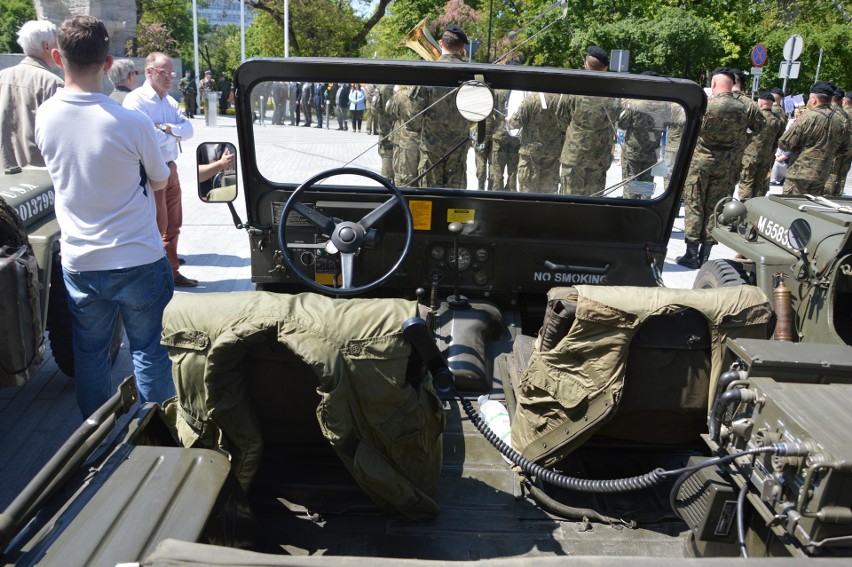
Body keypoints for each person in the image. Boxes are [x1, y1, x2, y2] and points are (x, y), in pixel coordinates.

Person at [34, 15, 175, 416]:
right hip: (138, 257)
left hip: (81, 260)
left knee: (90, 353)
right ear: (109, 63)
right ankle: (156, 435)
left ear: (58, 57)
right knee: (149, 350)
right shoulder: (132, 122)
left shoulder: (45, 116)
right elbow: (161, 179)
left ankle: (94, 438)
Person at [677, 67, 765, 269]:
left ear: (714, 84)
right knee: (715, 209)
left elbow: (685, 127)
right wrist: (741, 139)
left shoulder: (706, 105)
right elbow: (760, 127)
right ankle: (705, 254)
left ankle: (691, 253)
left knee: (694, 204)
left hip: (701, 163)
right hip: (727, 165)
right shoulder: (745, 107)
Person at [123, 52, 197, 287]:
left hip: (170, 168)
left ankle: (172, 272)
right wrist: (173, 134)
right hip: (149, 172)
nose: (170, 79)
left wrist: (165, 129)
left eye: (171, 73)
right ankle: (154, 278)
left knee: (174, 224)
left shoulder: (170, 101)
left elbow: (189, 131)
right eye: (165, 73)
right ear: (149, 72)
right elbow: (146, 138)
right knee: (156, 226)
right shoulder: (136, 101)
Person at [410, 24, 471, 189]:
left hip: (431, 150)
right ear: (462, 47)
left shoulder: (427, 72)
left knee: (429, 200)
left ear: (440, 43)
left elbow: (413, 120)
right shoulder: (473, 73)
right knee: (455, 203)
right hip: (458, 149)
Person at [555, 46, 621, 196]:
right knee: (593, 202)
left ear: (586, 64)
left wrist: (576, 135)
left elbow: (561, 117)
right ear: (606, 67)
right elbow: (616, 119)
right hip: (599, 158)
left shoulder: (574, 88)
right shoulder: (615, 93)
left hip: (574, 155)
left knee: (569, 201)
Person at [0, 20, 64, 171]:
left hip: (4, 173)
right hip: (39, 177)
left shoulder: (2, 76)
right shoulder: (52, 83)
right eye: (58, 42)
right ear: (47, 46)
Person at [778, 81, 850, 197]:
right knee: (812, 206)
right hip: (822, 174)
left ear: (814, 99)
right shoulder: (841, 120)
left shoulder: (808, 117)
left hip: (799, 173)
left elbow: (785, 143)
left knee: (792, 205)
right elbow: (845, 149)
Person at [507, 91, 564, 193]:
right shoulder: (561, 100)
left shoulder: (531, 100)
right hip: (552, 154)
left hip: (530, 155)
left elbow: (515, 124)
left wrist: (508, 120)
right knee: (548, 194)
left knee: (528, 193)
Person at [737, 91, 785, 200]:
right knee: (760, 183)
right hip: (767, 156)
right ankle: (757, 205)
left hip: (750, 155)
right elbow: (780, 138)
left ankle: (745, 206)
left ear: (760, 103)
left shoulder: (755, 117)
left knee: (746, 181)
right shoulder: (778, 120)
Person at [489, 89, 520, 192]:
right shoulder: (519, 91)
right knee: (513, 171)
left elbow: (490, 112)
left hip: (500, 135)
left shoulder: (498, 92)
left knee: (497, 171)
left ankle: (497, 196)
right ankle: (511, 195)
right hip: (515, 135)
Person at [825, 88, 851, 196]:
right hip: (847, 147)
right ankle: (837, 193)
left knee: (831, 172)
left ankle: (827, 194)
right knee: (841, 172)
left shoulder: (832, 111)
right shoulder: (843, 113)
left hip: (833, 146)